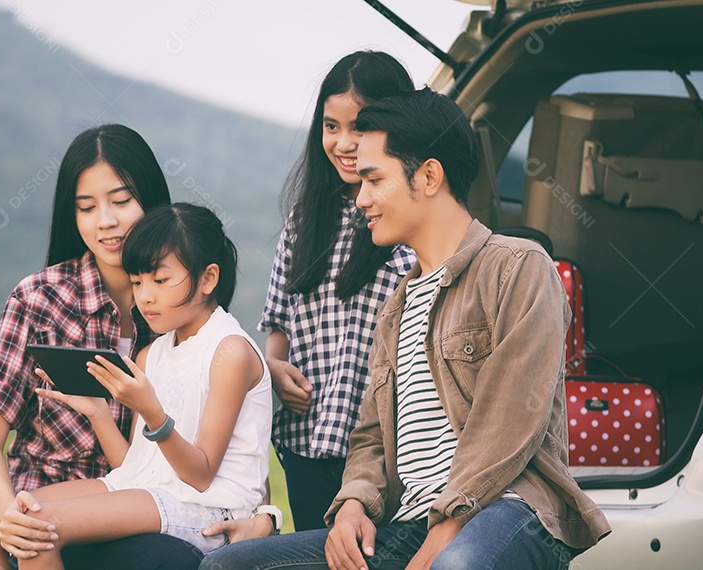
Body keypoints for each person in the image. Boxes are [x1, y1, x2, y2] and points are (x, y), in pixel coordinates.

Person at [201, 89, 611, 570]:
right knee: (229, 566)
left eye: (374, 180)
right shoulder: (395, 305)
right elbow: (372, 435)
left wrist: (449, 526)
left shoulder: (518, 266)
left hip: (510, 508)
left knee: (455, 566)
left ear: (430, 176)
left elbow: (510, 420)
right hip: (411, 526)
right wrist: (354, 503)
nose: (361, 200)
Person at [0, 126, 269, 569]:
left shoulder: (181, 312)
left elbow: (233, 451)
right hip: (105, 489)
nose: (106, 220)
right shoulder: (42, 300)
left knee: (45, 528)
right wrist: (7, 508)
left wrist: (265, 517)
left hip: (154, 506)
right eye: (86, 207)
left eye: (121, 201)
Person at [259, 50, 416, 532]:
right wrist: (275, 369)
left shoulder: (408, 225)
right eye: (331, 126)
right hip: (305, 441)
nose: (344, 143)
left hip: (381, 454)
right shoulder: (304, 223)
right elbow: (278, 322)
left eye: (360, 128)